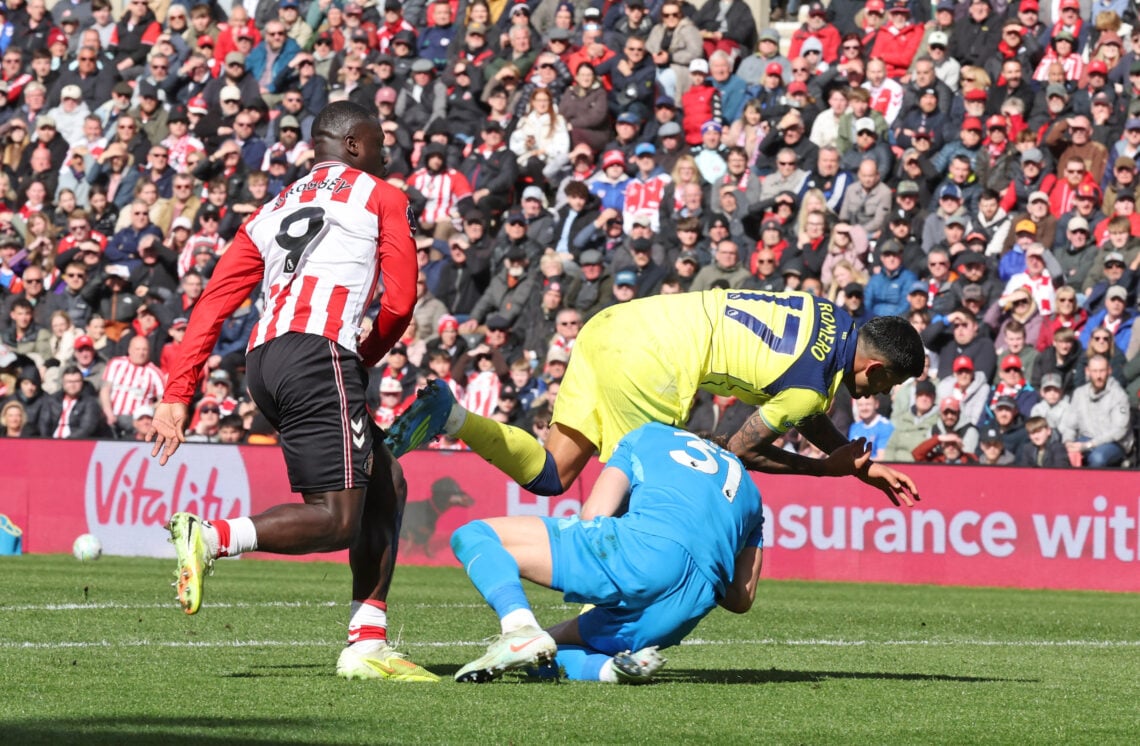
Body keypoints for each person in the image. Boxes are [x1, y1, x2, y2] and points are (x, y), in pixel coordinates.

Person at [146, 102, 437, 682]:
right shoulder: (382, 195)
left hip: (265, 361)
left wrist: (179, 391)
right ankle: (211, 537)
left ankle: (367, 642)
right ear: (353, 145)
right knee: (335, 519)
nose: (385, 155)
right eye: (378, 144)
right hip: (318, 352)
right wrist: (357, 360)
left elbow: (214, 300)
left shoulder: (272, 207)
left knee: (386, 479)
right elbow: (402, 302)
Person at [390, 289, 926, 508]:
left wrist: (857, 466)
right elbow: (741, 451)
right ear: (875, 367)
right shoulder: (810, 388)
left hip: (612, 325)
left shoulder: (826, 313)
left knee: (552, 476)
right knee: (651, 492)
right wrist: (821, 471)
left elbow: (803, 409)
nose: (880, 393)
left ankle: (452, 415)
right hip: (655, 360)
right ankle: (597, 618)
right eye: (887, 384)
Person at [448, 422, 766, 683]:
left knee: (474, 535)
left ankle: (518, 628)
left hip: (639, 551)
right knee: (545, 648)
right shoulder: (751, 494)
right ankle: (610, 672)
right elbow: (741, 598)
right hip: (687, 604)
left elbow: (594, 514)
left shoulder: (651, 433)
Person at [1060, 354, 1134, 468]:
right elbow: (1070, 425)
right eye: (1094, 371)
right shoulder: (1079, 393)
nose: (1098, 376)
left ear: (1109, 371)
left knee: (1097, 458)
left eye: (1102, 371)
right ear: (1087, 371)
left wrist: (1089, 445)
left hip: (1114, 443)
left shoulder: (1119, 395)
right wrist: (1068, 442)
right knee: (1060, 453)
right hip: (1086, 438)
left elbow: (1119, 431)